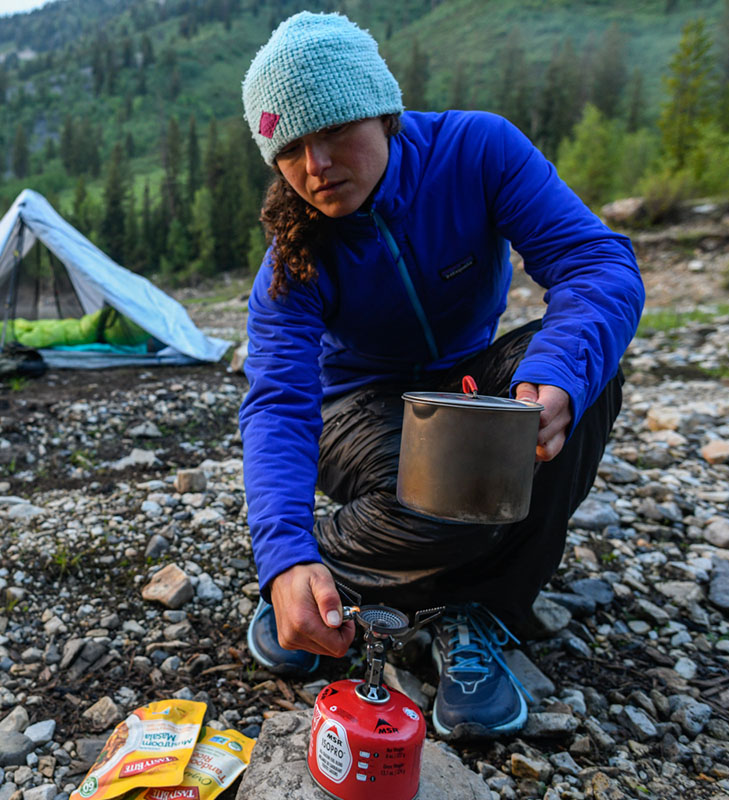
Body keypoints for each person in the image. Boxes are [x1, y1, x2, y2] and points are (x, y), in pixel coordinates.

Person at [237, 12, 644, 739]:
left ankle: (471, 608)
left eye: (333, 131)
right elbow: (278, 405)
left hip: (461, 382)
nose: (315, 165)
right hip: (356, 410)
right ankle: (310, 571)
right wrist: (282, 554)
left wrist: (557, 376)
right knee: (448, 492)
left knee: (589, 372)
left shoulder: (476, 151)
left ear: (383, 111)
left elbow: (598, 263)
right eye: (290, 149)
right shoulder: (293, 257)